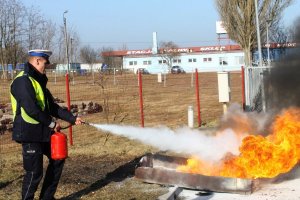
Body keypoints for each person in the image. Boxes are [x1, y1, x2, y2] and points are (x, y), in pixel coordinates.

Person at [10, 49, 83, 200]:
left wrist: (71, 118)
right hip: (29, 133)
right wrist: (51, 123)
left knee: (58, 158)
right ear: (37, 61)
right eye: (45, 63)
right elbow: (31, 109)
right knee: (34, 172)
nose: (46, 67)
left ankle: (47, 197)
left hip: (42, 131)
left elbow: (52, 107)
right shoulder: (22, 81)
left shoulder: (38, 81)